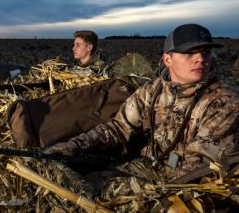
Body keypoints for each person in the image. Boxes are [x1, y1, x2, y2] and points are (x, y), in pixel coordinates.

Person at [44, 24, 239, 183]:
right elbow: (118, 128)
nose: (200, 59)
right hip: (150, 166)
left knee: (100, 195)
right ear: (168, 60)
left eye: (205, 52)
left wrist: (146, 197)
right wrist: (73, 146)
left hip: (181, 185)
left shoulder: (224, 103)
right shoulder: (153, 90)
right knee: (76, 179)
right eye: (189, 52)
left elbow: (201, 172)